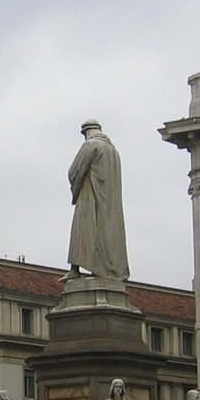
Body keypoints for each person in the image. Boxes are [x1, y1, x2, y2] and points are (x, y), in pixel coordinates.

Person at [67, 119, 130, 281]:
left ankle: (75, 269)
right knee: (108, 233)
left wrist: (75, 190)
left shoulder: (90, 145)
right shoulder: (113, 150)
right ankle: (105, 269)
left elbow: (75, 170)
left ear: (86, 132)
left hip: (90, 194)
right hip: (111, 200)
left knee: (84, 231)